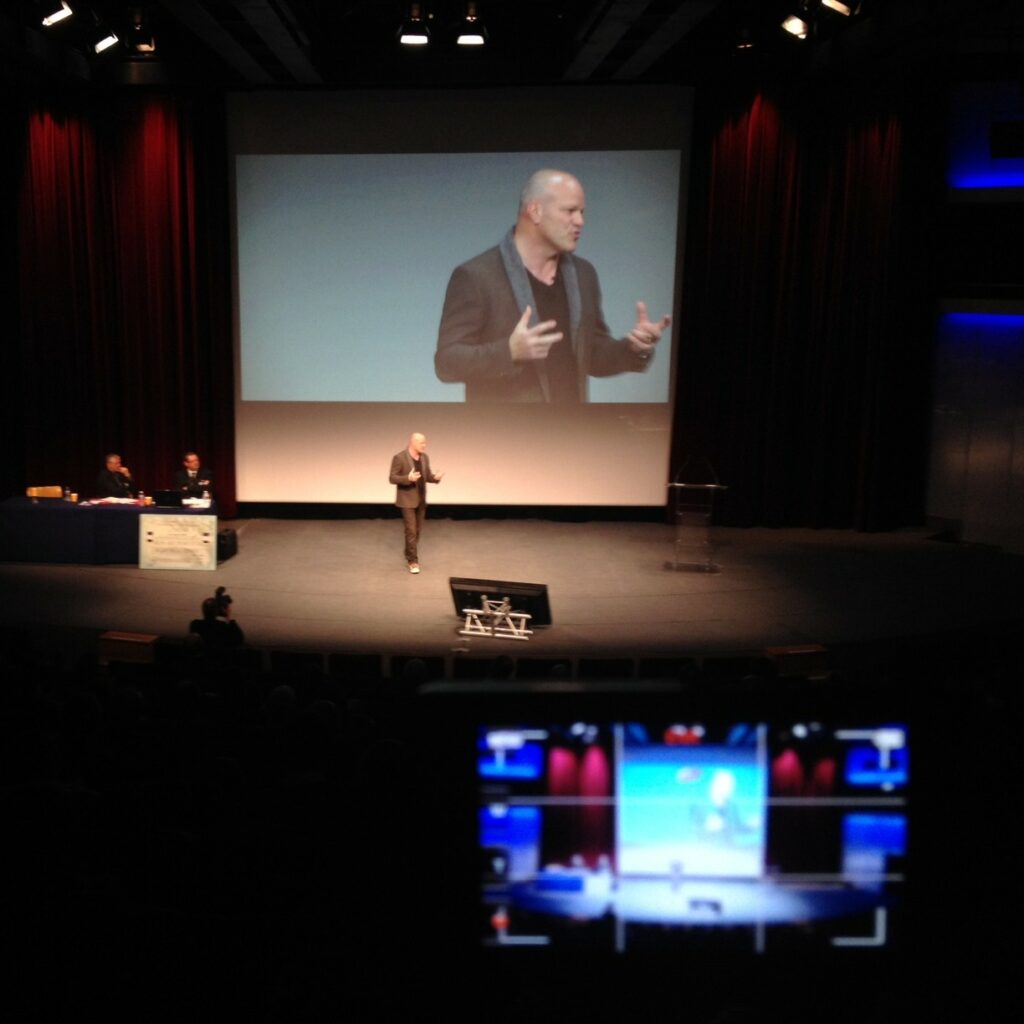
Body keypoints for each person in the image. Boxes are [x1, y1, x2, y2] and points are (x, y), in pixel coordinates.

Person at [434, 168, 671, 402]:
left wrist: (633, 348)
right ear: (535, 211)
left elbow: (592, 355)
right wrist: (509, 352)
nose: (580, 221)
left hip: (572, 426)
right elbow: (446, 363)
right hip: (505, 428)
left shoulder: (583, 274)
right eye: (570, 211)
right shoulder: (476, 276)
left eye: (581, 212)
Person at [388, 432, 443, 574]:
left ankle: (408, 552)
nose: (424, 445)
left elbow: (427, 476)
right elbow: (392, 478)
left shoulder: (424, 458)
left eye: (425, 442)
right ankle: (413, 561)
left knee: (417, 531)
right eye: (421, 442)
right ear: (412, 442)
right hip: (407, 501)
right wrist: (408, 478)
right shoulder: (399, 457)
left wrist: (435, 478)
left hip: (421, 500)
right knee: (411, 531)